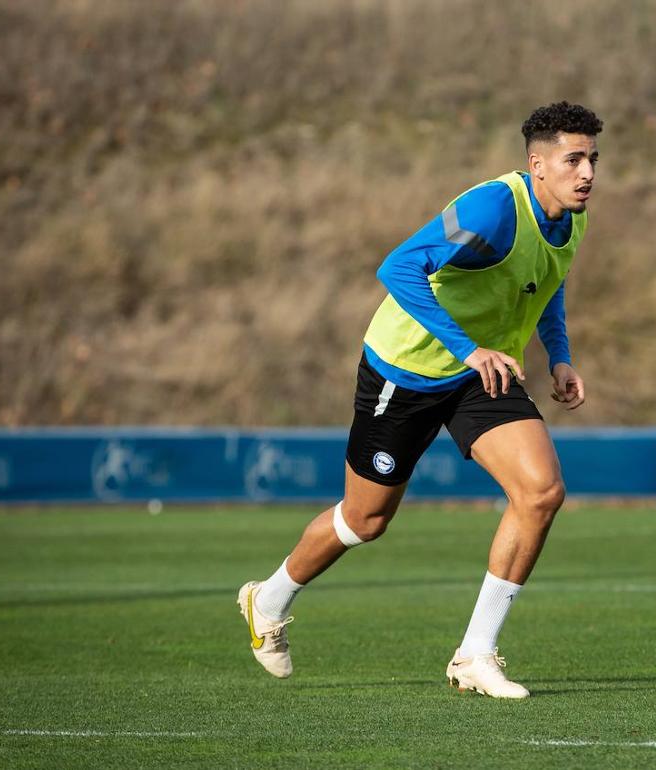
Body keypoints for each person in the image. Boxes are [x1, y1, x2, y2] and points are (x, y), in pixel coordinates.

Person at [237, 102, 603, 699]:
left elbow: (547, 284)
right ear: (537, 164)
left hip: (480, 373)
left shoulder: (573, 217)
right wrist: (466, 349)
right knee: (366, 519)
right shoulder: (492, 208)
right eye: (573, 159)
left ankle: (476, 655)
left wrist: (559, 354)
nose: (586, 172)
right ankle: (268, 598)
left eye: (592, 159)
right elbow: (400, 266)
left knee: (540, 492)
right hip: (404, 371)